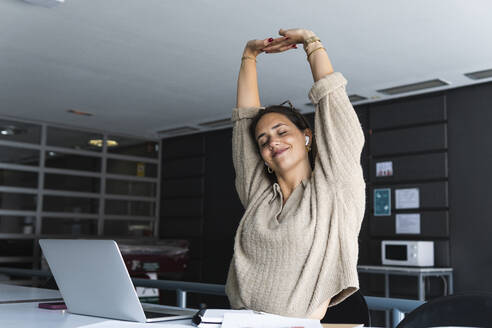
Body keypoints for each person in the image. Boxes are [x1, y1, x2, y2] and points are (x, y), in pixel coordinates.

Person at [225, 28, 366, 320]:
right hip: (237, 322)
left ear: (306, 137)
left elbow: (333, 105)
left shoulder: (333, 189)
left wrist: (310, 43)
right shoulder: (259, 196)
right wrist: (249, 56)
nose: (272, 141)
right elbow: (244, 124)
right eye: (263, 140)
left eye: (281, 132)